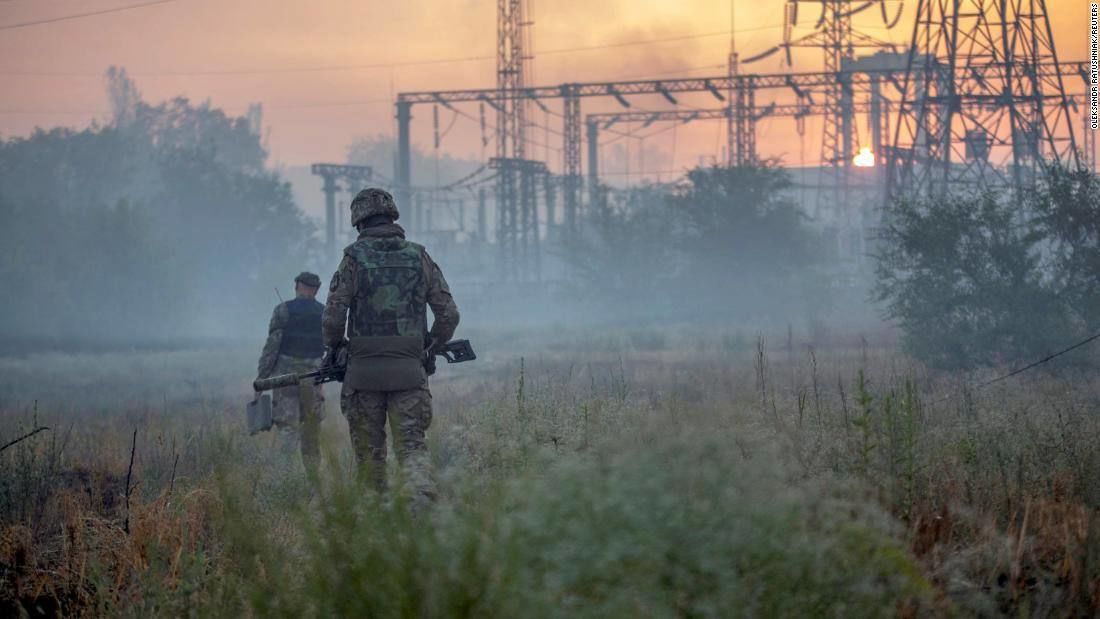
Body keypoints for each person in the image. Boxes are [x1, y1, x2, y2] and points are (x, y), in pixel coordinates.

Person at [322, 188, 459, 508]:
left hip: (363, 378)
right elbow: (449, 314)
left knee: (370, 463)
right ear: (392, 216)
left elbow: (332, 318)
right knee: (412, 452)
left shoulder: (352, 260)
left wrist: (337, 349)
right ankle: (420, 521)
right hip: (410, 375)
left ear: (358, 222)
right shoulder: (418, 256)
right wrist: (429, 347)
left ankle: (375, 532)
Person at [256, 271, 326, 469]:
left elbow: (272, 347)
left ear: (297, 286)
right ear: (316, 289)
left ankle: (285, 480)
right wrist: (321, 382)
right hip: (312, 378)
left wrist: (262, 379)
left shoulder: (283, 310)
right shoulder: (324, 312)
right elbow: (329, 348)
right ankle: (313, 482)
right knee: (311, 432)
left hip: (285, 379)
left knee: (288, 430)